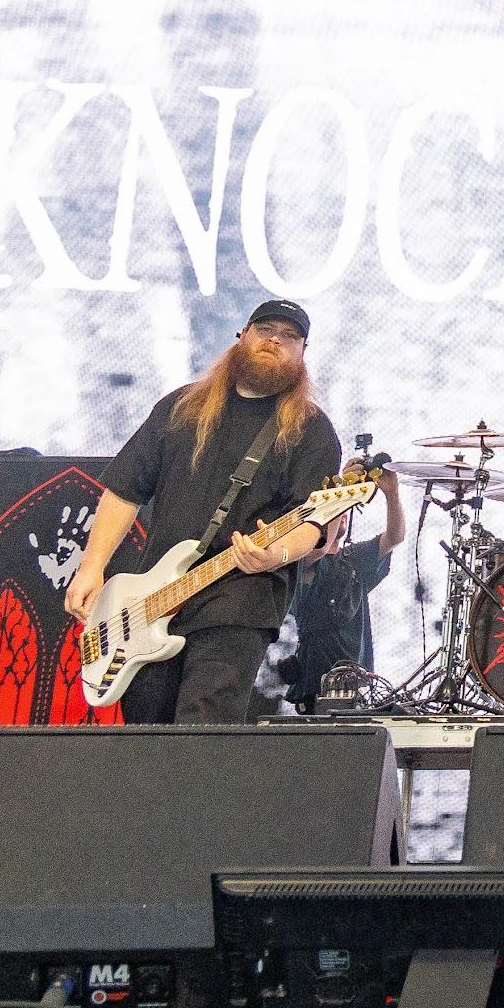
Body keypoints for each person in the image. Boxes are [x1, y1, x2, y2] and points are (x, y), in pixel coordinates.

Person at [67, 299, 347, 725]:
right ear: (242, 336)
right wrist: (91, 568)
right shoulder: (181, 407)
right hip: (156, 596)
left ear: (303, 354)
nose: (274, 339)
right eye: (264, 328)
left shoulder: (311, 430)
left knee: (205, 722)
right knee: (146, 725)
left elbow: (312, 519)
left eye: (289, 336)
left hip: (240, 596)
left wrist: (277, 555)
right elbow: (124, 490)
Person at [285, 455, 406, 712]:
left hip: (355, 679)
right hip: (315, 681)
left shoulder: (353, 559)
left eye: (343, 514)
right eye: (335, 514)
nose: (342, 517)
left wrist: (391, 494)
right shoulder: (303, 560)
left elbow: (394, 537)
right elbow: (319, 549)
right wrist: (341, 495)